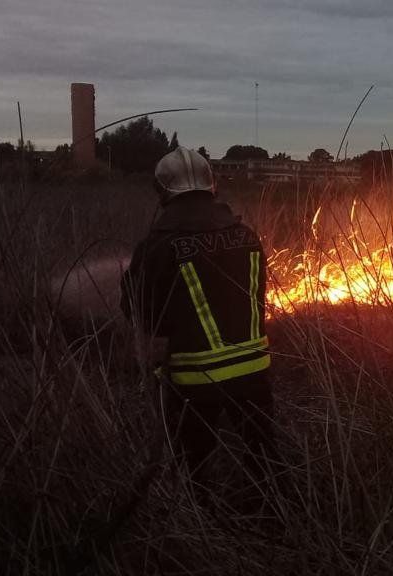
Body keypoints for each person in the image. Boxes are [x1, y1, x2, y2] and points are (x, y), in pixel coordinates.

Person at [120, 146, 273, 495]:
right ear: (212, 186)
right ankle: (271, 524)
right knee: (264, 461)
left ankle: (202, 530)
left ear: (162, 193)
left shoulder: (158, 247)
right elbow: (256, 298)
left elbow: (140, 312)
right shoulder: (247, 235)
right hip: (254, 371)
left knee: (195, 468)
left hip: (194, 378)